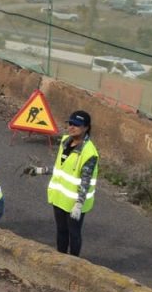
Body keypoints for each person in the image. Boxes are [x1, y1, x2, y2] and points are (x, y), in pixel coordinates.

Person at [23, 110, 98, 257]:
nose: (71, 127)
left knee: (74, 234)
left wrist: (79, 204)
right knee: (61, 231)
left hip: (74, 203)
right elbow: (61, 168)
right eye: (70, 123)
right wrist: (40, 171)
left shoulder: (89, 153)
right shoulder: (65, 141)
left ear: (86, 128)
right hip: (59, 198)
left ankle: (74, 262)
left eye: (76, 125)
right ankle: (60, 258)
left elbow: (86, 180)